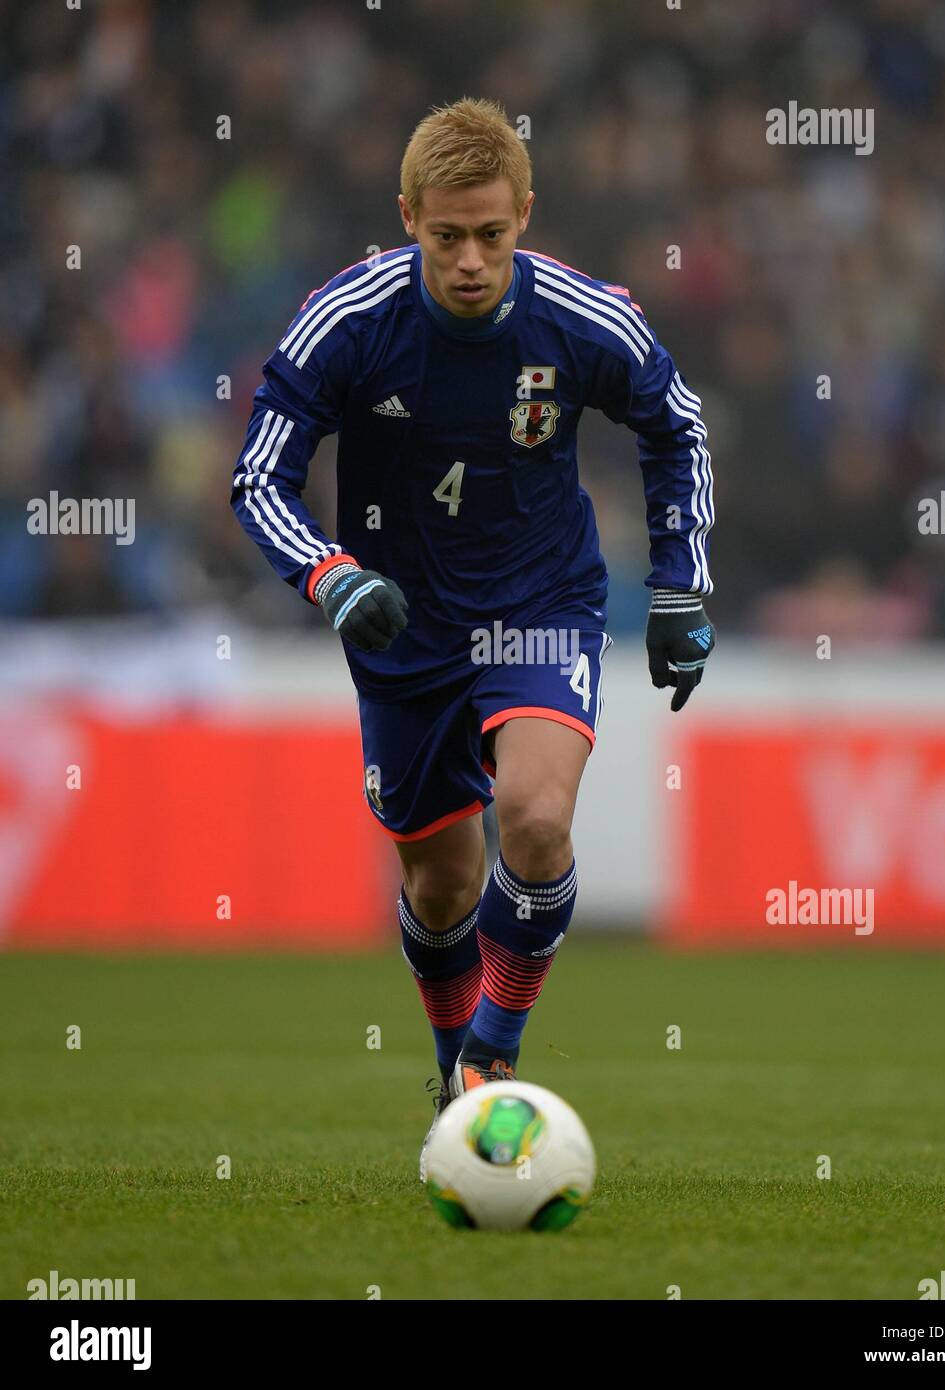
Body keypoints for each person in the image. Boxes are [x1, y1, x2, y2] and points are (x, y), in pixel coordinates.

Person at [230, 97, 715, 1180]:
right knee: (440, 887)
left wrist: (680, 583)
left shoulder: (584, 320)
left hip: (539, 604)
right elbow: (256, 475)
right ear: (405, 217)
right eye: (444, 235)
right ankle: (453, 1072)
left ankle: (490, 1064)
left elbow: (672, 422)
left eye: (491, 235)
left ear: (524, 218)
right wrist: (330, 573)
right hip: (401, 628)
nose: (467, 259)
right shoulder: (343, 322)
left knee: (534, 822)